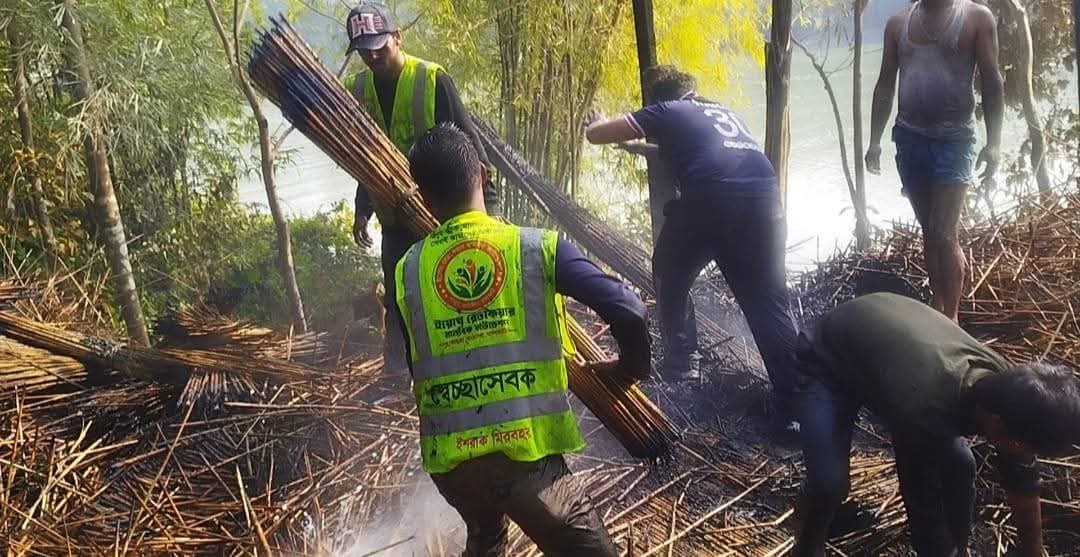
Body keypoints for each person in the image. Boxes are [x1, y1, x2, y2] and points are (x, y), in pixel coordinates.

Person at [393, 123, 651, 556]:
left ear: (422, 194)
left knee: (486, 535)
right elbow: (629, 310)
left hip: (452, 463)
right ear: (484, 174)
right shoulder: (535, 248)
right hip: (522, 458)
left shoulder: (408, 270)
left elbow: (419, 367)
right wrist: (629, 371)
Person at [584, 67, 799, 430]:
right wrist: (634, 148)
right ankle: (798, 407)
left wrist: (600, 123)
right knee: (767, 304)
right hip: (766, 207)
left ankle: (683, 364)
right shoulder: (720, 113)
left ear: (660, 100)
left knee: (670, 269)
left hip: (712, 204)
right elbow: (679, 151)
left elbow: (595, 136)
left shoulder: (666, 111)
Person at [793, 292, 1080, 557]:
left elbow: (1022, 479)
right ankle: (807, 547)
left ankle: (960, 546)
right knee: (829, 482)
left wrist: (1033, 551)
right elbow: (922, 505)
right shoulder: (925, 409)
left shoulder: (1013, 387)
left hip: (888, 341)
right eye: (1020, 444)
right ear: (996, 421)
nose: (1020, 450)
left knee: (961, 464)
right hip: (829, 358)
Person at [343, 2, 499, 372]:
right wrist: (361, 210)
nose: (373, 55)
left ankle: (465, 360)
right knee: (398, 295)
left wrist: (489, 210)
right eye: (364, 49)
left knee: (452, 288)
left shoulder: (432, 79)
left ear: (398, 37)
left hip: (440, 212)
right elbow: (363, 155)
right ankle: (398, 372)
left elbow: (470, 146)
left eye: (380, 45)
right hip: (392, 213)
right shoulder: (358, 88)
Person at [865, 0, 1003, 322]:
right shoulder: (898, 24)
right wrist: (874, 142)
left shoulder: (974, 18)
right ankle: (938, 308)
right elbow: (885, 84)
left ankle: (951, 319)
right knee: (929, 230)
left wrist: (994, 143)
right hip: (910, 137)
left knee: (944, 231)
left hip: (954, 139)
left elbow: (992, 80)